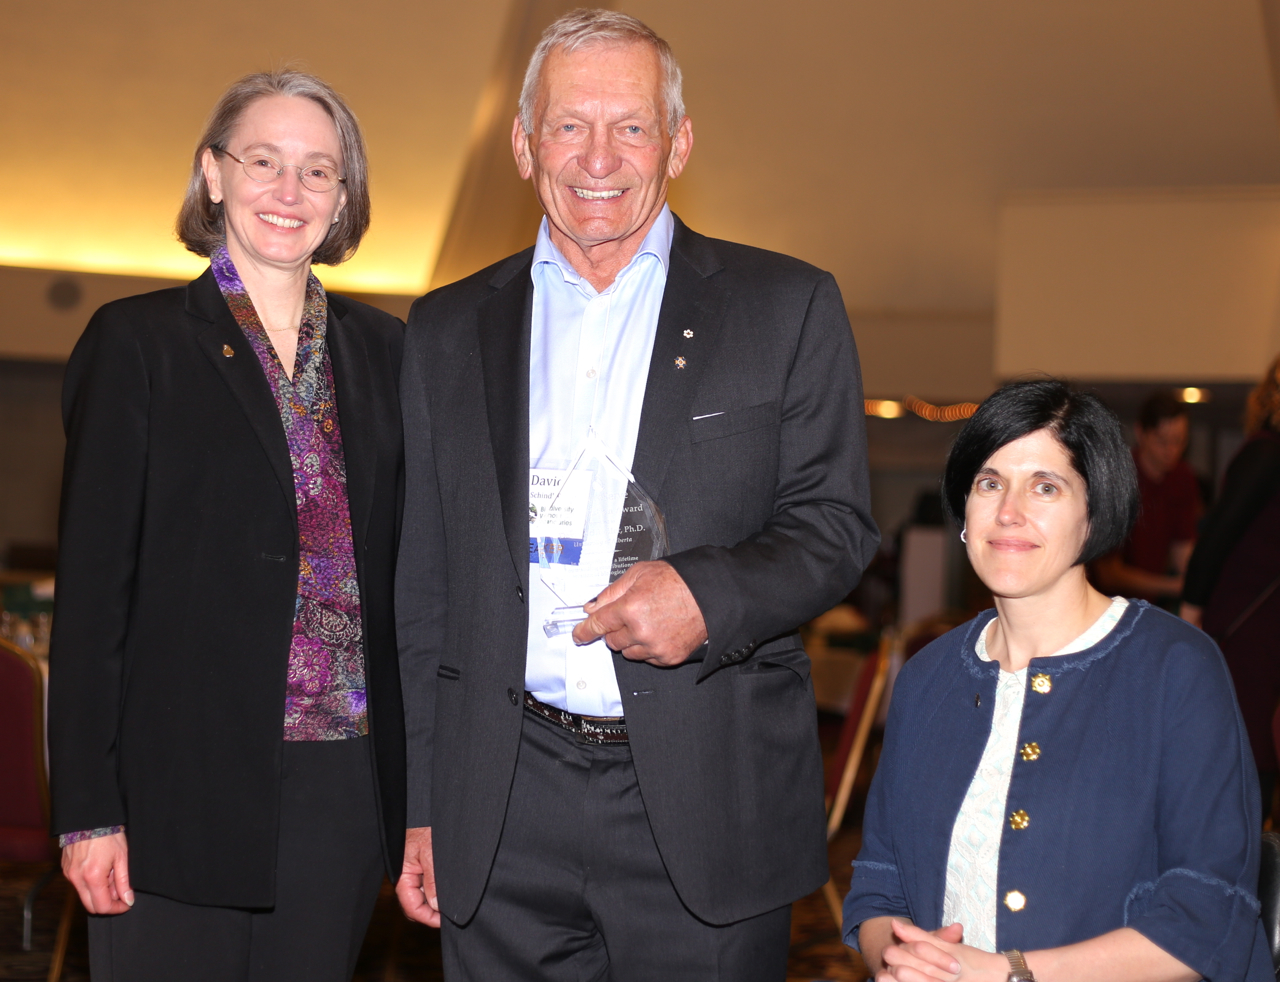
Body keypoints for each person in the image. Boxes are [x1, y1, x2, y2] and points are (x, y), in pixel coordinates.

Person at [395, 10, 878, 980]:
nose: (598, 156)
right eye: (569, 125)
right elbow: (424, 586)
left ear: (678, 141)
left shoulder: (786, 306)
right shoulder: (445, 328)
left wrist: (709, 594)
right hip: (500, 800)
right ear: (525, 145)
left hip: (703, 802)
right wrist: (422, 800)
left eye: (630, 125)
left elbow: (834, 527)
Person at [48, 70, 405, 982]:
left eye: (317, 171)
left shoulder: (391, 354)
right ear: (214, 175)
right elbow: (93, 601)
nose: (289, 192)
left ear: (344, 196)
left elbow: (414, 582)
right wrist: (88, 811)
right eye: (263, 161)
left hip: (342, 792)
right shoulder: (137, 344)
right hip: (177, 787)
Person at [844, 379, 1269, 982]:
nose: (1008, 510)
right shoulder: (925, 678)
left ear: (1093, 512)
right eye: (989, 483)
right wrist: (902, 960)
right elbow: (878, 885)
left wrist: (1009, 973)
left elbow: (1207, 915)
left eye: (1046, 486)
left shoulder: (1176, 668)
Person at [1183, 355, 1280, 819]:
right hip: (1243, 625)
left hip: (1256, 621)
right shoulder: (1266, 453)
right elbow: (1218, 532)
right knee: (1248, 737)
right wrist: (1190, 610)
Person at [1091, 389, 1200, 606]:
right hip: (1105, 603)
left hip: (1149, 605)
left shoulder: (1183, 478)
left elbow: (1184, 550)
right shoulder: (1118, 476)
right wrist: (1173, 586)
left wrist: (1196, 583)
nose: (1171, 450)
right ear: (1141, 433)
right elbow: (1108, 573)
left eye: (1179, 441)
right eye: (1162, 441)